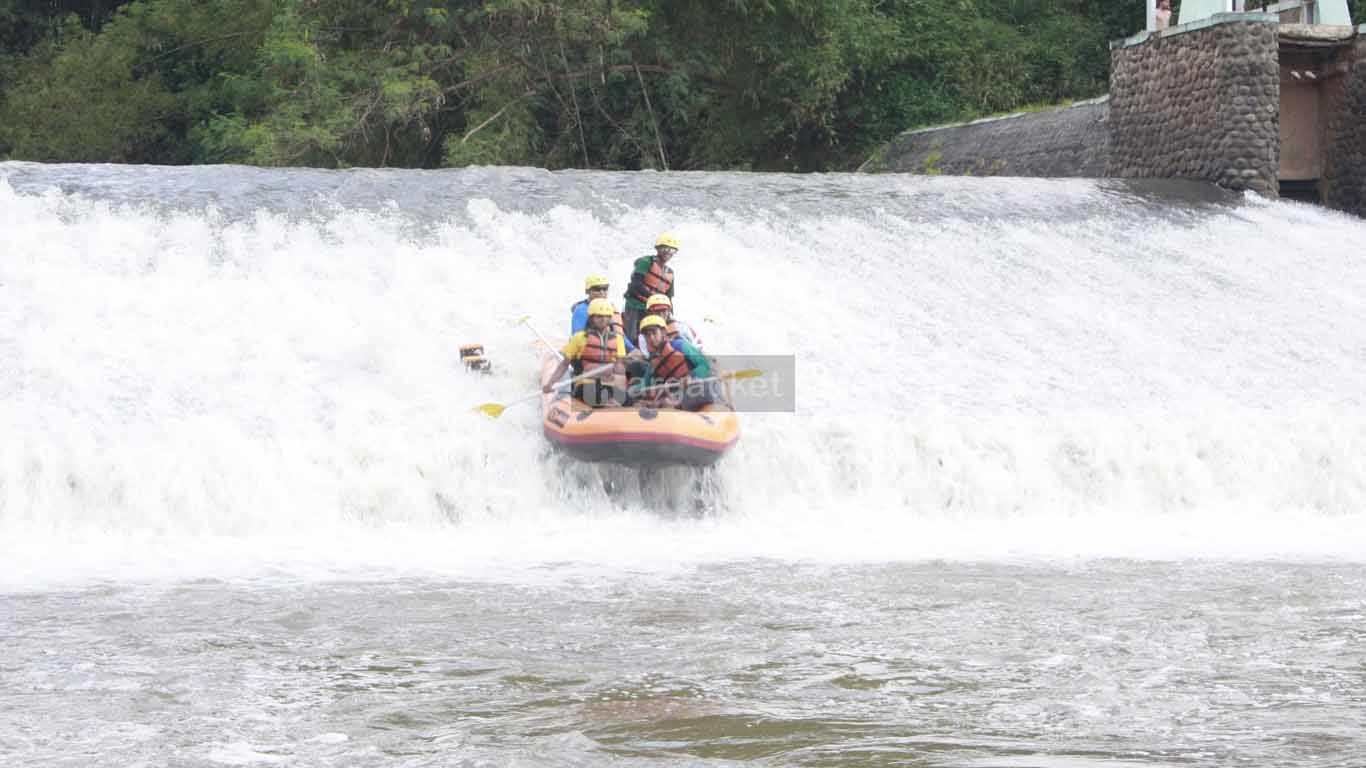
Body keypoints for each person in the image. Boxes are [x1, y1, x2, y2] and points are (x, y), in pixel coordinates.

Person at [543, 298, 627, 407]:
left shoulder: (618, 339)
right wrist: (550, 383)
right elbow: (564, 364)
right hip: (586, 383)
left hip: (608, 383)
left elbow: (620, 371)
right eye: (599, 316)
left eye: (607, 316)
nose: (603, 319)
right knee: (594, 395)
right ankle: (604, 406)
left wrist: (619, 394)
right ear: (591, 318)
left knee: (626, 399)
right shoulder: (580, 338)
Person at [630, 315, 722, 412]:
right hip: (676, 397)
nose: (651, 338)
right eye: (647, 335)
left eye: (654, 332)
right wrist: (631, 391)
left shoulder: (680, 345)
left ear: (663, 332)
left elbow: (704, 365)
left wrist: (692, 376)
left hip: (696, 388)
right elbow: (645, 385)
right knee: (662, 402)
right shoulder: (653, 363)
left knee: (668, 402)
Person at [622, 232, 679, 340]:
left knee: (654, 337)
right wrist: (654, 298)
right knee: (633, 336)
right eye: (665, 249)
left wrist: (670, 314)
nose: (668, 253)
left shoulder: (670, 273)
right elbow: (636, 285)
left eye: (672, 250)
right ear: (658, 249)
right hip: (635, 305)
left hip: (654, 309)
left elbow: (668, 298)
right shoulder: (646, 262)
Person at [571, 274, 637, 351]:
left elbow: (620, 336)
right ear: (587, 291)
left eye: (605, 288)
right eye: (597, 289)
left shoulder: (610, 308)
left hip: (610, 351)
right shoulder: (581, 310)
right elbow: (578, 336)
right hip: (588, 352)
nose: (602, 292)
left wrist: (633, 350)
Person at [635, 293, 703, 352]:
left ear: (669, 311)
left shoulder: (681, 327)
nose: (661, 314)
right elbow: (647, 355)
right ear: (649, 312)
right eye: (657, 311)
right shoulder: (643, 335)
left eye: (664, 310)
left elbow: (696, 346)